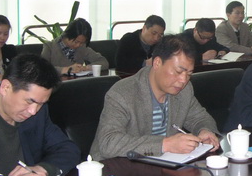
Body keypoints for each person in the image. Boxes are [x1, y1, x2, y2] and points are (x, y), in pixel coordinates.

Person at [90, 34, 220, 160]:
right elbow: (108, 142)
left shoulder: (184, 90)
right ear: (157, 63)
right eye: (178, 72)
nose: (183, 80)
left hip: (162, 165)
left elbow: (200, 118)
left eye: (189, 74)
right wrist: (165, 144)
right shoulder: (122, 93)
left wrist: (205, 131)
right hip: (116, 166)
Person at [41, 18, 109, 75]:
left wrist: (86, 68)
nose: (78, 45)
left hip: (77, 84)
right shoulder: (49, 47)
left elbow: (103, 62)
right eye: (76, 42)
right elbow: (42, 69)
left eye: (82, 43)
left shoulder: (82, 48)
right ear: (67, 35)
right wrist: (66, 69)